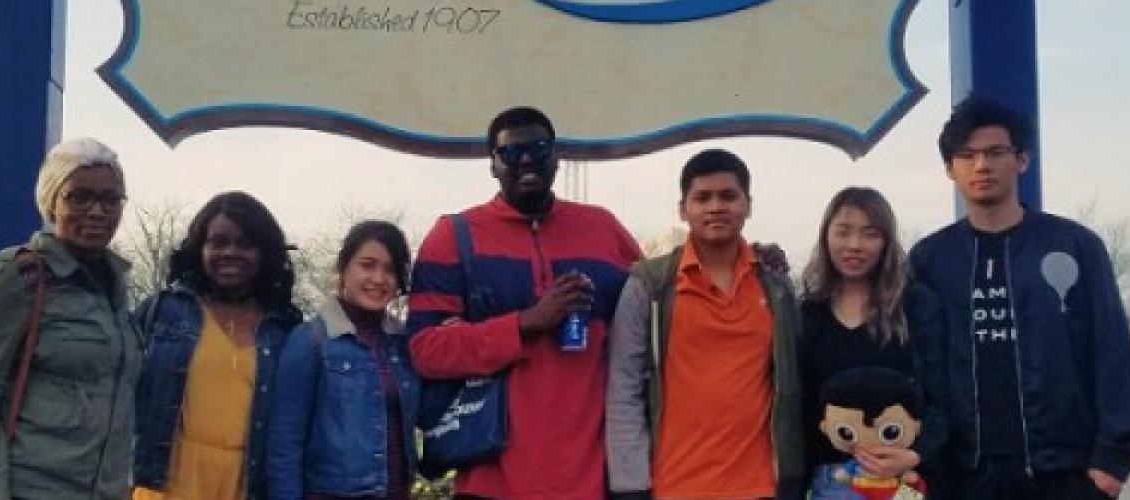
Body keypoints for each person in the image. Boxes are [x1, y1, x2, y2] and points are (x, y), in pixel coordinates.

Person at [909, 98, 1130, 500]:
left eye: (996, 152)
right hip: (960, 475)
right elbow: (915, 364)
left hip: (1064, 473)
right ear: (950, 168)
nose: (982, 165)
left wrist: (1111, 462)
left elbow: (1112, 352)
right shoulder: (930, 259)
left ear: (1022, 159)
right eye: (967, 155)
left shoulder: (1074, 247)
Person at [405, 107, 641, 499]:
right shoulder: (453, 237)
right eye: (512, 153)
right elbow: (425, 350)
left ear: (557, 158)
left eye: (539, 148)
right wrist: (525, 323)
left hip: (590, 482)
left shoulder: (604, 229)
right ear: (493, 165)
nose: (527, 159)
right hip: (490, 482)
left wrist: (743, 259)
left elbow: (666, 300)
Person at [606, 149, 808, 499]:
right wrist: (630, 485)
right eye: (702, 198)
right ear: (683, 209)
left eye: (729, 196)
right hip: (673, 485)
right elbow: (624, 389)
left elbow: (793, 380)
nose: (716, 206)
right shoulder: (649, 285)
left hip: (761, 487)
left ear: (748, 205)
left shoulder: (775, 284)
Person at [0, 138, 142, 500]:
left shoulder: (113, 287)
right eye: (80, 197)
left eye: (110, 199)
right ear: (52, 202)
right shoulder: (16, 277)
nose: (97, 211)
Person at [132, 191, 305, 499]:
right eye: (218, 242)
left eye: (245, 243)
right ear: (200, 248)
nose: (230, 252)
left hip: (243, 485)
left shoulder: (285, 330)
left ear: (264, 251)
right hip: (163, 484)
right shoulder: (164, 310)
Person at [787, 187, 950, 500]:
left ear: (887, 242)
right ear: (826, 237)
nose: (855, 245)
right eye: (843, 232)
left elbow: (941, 398)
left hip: (905, 480)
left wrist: (916, 454)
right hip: (830, 482)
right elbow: (801, 409)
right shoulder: (809, 313)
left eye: (870, 234)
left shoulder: (916, 305)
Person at [268, 221, 421, 500]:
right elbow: (284, 445)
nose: (378, 278)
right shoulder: (310, 340)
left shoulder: (402, 342)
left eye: (390, 269)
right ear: (344, 269)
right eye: (367, 265)